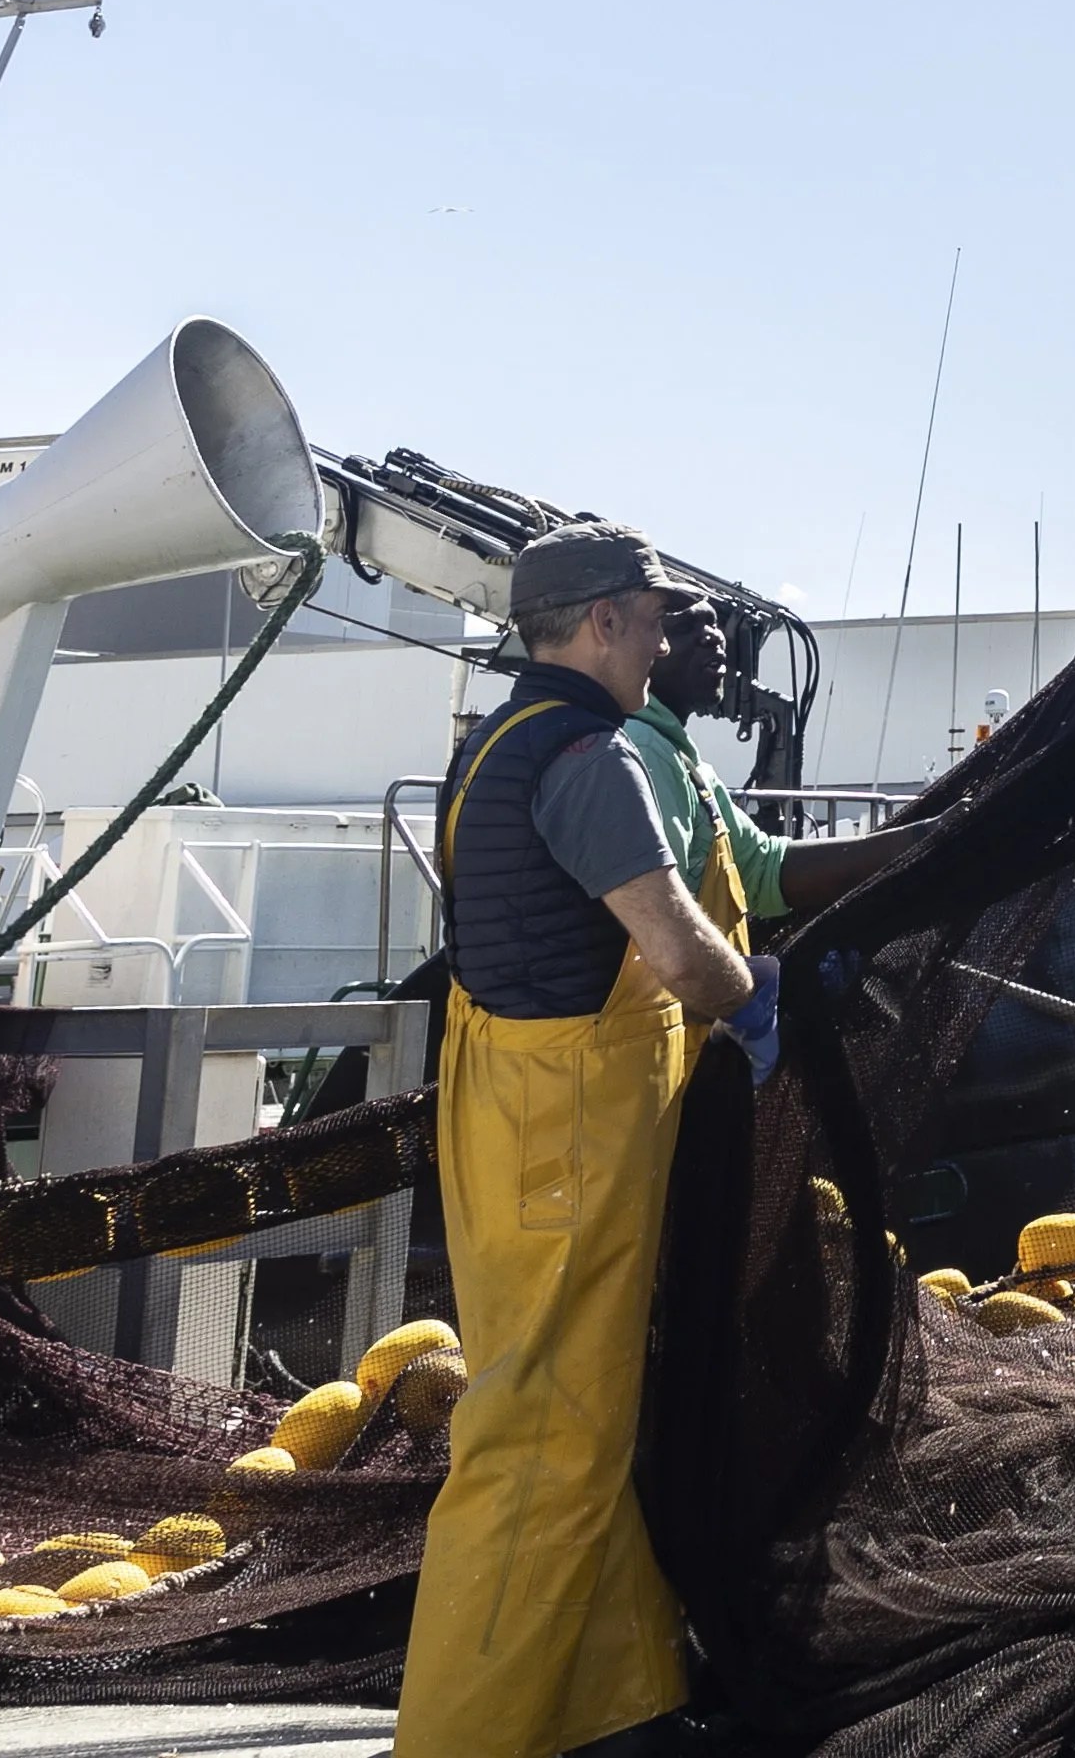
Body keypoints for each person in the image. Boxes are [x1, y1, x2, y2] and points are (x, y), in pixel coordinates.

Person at [402, 524, 782, 1758]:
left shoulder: (492, 743)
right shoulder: (586, 756)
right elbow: (677, 953)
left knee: (584, 1422)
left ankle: (613, 1707)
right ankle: (467, 1733)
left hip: (508, 1110)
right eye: (659, 617)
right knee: (541, 1443)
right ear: (607, 622)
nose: (670, 639)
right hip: (566, 1137)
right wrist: (760, 995)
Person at [631, 588, 939, 934]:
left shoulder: (680, 758)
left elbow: (762, 867)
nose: (712, 637)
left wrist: (924, 839)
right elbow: (658, 924)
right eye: (686, 626)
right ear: (643, 646)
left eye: (713, 623)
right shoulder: (646, 751)